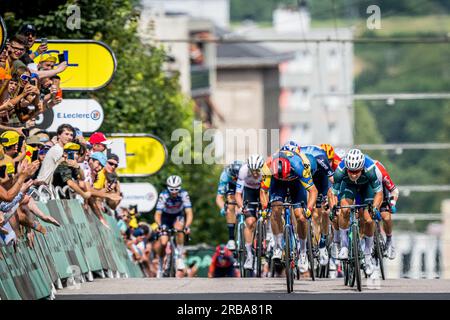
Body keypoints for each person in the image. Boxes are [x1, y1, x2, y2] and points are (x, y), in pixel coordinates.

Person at [329, 149, 383, 276]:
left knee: (368, 219)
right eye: (351, 171)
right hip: (348, 186)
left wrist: (374, 208)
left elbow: (379, 193)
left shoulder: (370, 170)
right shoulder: (340, 171)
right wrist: (332, 208)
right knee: (344, 209)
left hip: (367, 187)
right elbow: (333, 193)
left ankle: (368, 254)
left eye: (356, 171)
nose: (353, 175)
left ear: (362, 168)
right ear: (347, 168)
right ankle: (344, 246)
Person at [268, 149, 318, 273]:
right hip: (277, 184)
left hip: (296, 183)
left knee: (301, 217)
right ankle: (278, 246)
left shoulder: (299, 166)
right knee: (275, 210)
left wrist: (309, 209)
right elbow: (263, 191)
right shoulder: (267, 166)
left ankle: (302, 252)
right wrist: (265, 208)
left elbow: (313, 191)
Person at [299, 145, 335, 267]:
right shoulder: (297, 160)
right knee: (301, 208)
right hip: (304, 178)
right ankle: (305, 240)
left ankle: (323, 244)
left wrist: (333, 199)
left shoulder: (321, 160)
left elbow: (333, 180)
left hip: (321, 179)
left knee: (324, 211)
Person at [154, 175, 193, 277]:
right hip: (165, 217)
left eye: (176, 189)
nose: (174, 192)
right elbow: (157, 214)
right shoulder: (164, 195)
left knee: (180, 229)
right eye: (172, 189)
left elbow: (189, 212)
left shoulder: (184, 194)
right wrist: (159, 225)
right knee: (163, 241)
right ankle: (161, 263)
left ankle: (179, 255)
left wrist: (187, 226)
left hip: (177, 216)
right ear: (168, 188)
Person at [235, 154, 265, 271]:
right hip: (249, 192)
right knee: (250, 222)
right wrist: (242, 207)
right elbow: (238, 194)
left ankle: (267, 238)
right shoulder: (243, 171)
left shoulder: (266, 171)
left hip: (262, 191)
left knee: (267, 215)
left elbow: (269, 192)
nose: (256, 174)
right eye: (253, 171)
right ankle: (249, 255)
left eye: (258, 171)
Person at [371, 157, 399, 260]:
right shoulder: (356, 173)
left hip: (381, 192)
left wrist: (392, 203)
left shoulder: (380, 171)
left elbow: (394, 190)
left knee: (386, 217)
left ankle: (389, 241)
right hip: (366, 192)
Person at [215, 160, 243, 250]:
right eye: (234, 178)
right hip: (230, 186)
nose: (235, 179)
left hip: (244, 183)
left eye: (237, 178)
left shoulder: (245, 173)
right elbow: (219, 197)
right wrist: (224, 208)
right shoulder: (225, 176)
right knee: (230, 201)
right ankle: (231, 240)